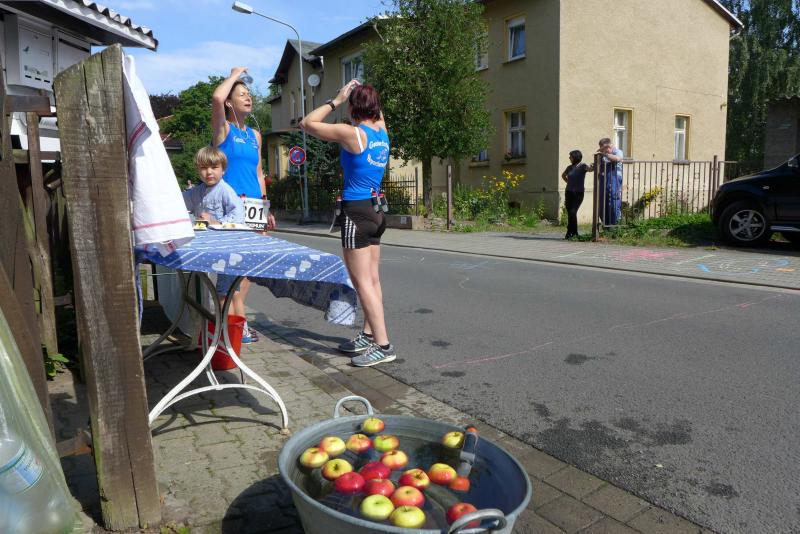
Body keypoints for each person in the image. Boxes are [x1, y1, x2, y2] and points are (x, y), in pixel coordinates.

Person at [299, 80, 395, 367]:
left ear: (354, 107)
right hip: (376, 211)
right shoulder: (382, 133)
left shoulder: (353, 134)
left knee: (362, 282)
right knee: (373, 279)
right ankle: (369, 334)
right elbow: (378, 113)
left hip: (357, 211)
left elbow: (307, 123)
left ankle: (383, 345)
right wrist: (366, 94)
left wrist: (337, 99)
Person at [212, 67, 276, 343]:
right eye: (242, 94)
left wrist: (265, 207)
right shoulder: (223, 129)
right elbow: (216, 98)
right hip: (231, 208)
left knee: (247, 268)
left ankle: (238, 322)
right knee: (231, 267)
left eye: (249, 94)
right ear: (230, 102)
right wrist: (234, 75)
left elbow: (259, 173)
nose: (248, 97)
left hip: (254, 205)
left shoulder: (255, 136)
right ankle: (235, 324)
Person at [182, 146, 246, 316]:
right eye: (204, 168)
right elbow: (180, 203)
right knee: (232, 293)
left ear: (223, 170)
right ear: (198, 170)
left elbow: (239, 215)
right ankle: (240, 328)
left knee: (224, 294)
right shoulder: (197, 191)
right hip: (214, 248)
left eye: (214, 167)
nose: (209, 172)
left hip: (229, 249)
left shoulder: (225, 190)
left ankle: (227, 328)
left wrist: (215, 222)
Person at [560, 150, 593, 239]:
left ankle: (573, 232)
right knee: (570, 213)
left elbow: (590, 169)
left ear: (575, 157)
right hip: (569, 192)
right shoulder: (569, 167)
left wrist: (593, 166)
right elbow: (563, 175)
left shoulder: (582, 166)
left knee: (573, 211)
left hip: (578, 193)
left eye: (570, 156)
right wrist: (569, 182)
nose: (569, 158)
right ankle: (570, 233)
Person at [597, 138, 624, 226]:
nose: (603, 150)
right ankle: (606, 224)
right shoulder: (603, 155)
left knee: (613, 199)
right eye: (602, 149)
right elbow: (599, 165)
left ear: (609, 146)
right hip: (604, 179)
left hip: (615, 178)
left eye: (604, 148)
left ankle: (615, 223)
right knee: (603, 201)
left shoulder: (617, 151)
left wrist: (605, 154)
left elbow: (617, 159)